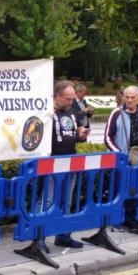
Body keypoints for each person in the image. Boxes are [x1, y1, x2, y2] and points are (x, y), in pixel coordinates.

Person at [49, 80, 88, 248]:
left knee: (67, 201)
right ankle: (38, 238)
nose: (71, 102)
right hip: (51, 163)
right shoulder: (46, 113)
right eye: (67, 99)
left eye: (72, 99)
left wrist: (80, 133)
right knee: (47, 201)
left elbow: (75, 131)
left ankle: (63, 236)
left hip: (70, 161)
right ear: (56, 96)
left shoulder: (71, 111)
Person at [105, 86, 138, 165]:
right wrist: (119, 153)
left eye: (133, 97)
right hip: (121, 160)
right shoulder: (116, 113)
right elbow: (107, 137)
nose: (130, 100)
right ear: (123, 98)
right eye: (127, 97)